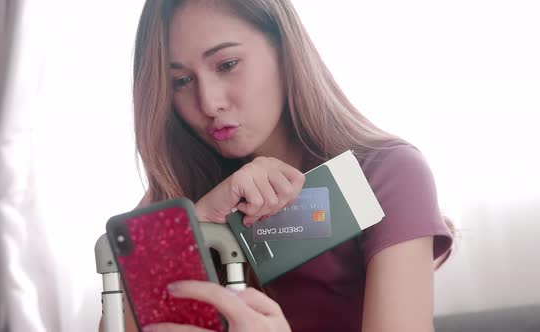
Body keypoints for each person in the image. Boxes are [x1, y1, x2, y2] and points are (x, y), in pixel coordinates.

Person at [100, 0, 453, 331]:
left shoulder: (387, 174)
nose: (209, 103)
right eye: (181, 81)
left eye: (227, 65)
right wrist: (198, 225)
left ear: (284, 50)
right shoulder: (177, 196)